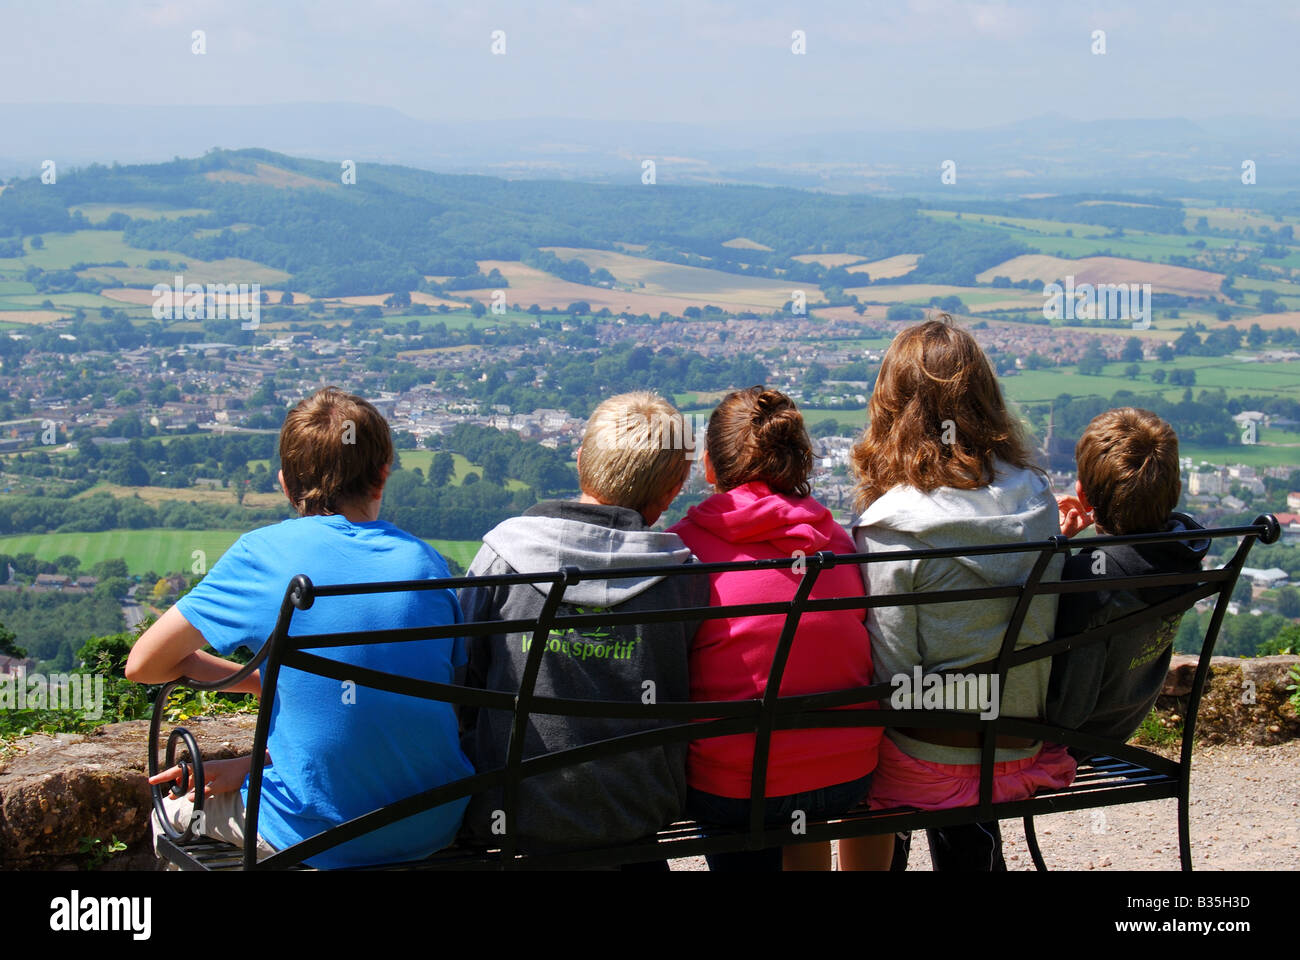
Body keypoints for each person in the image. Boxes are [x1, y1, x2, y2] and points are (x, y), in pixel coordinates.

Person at [127, 387, 473, 869]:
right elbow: (398, 713)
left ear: (286, 484)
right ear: (382, 474)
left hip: (318, 835)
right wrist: (252, 765)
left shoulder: (262, 556)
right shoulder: (427, 563)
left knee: (169, 810)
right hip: (434, 822)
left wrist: (253, 682)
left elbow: (144, 664)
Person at [848, 317, 1074, 872]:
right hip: (1019, 747)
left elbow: (892, 678)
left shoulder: (891, 527)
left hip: (925, 758)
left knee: (850, 757)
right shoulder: (1038, 500)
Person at [457, 391, 707, 862]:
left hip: (514, 809)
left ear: (580, 460)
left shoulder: (503, 557)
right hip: (636, 813)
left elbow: (463, 677)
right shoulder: (684, 579)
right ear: (673, 491)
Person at [668, 387, 888, 871]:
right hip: (848, 771)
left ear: (709, 466)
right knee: (796, 807)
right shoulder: (839, 540)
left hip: (738, 786)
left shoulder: (682, 551)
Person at [1047, 408, 1209, 744]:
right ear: (1176, 490)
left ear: (1083, 496)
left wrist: (1053, 548)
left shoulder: (1086, 580)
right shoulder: (1184, 558)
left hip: (1062, 742)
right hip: (1122, 730)